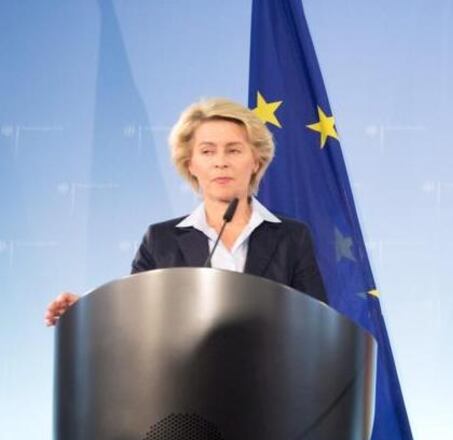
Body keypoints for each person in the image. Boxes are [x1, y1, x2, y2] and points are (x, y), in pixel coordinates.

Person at [44, 97, 326, 326]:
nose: (220, 162)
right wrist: (87, 310)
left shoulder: (292, 237)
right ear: (190, 164)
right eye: (207, 151)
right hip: (185, 379)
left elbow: (317, 323)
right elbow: (133, 312)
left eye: (233, 150)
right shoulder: (160, 240)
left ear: (256, 161)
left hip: (270, 377)